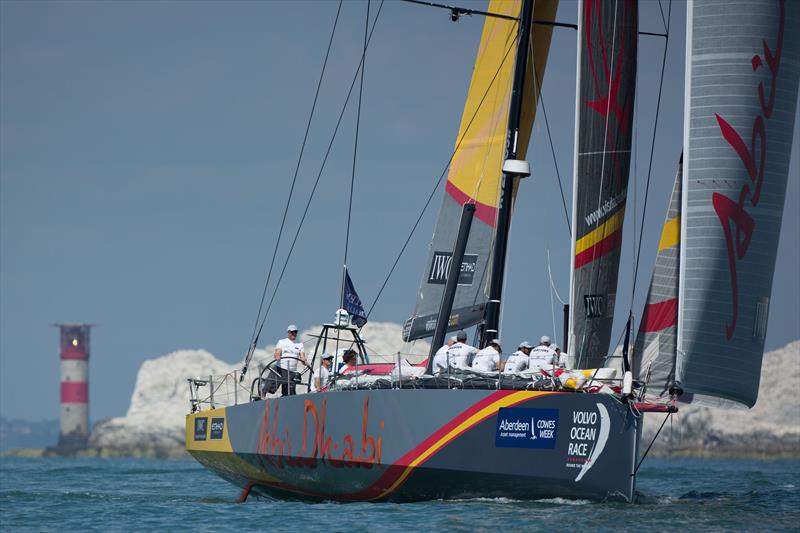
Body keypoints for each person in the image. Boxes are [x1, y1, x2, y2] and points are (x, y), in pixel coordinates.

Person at [274, 324, 307, 396]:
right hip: (281, 368)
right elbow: (277, 352)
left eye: (295, 332)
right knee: (270, 386)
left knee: (290, 392)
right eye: (292, 332)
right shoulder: (282, 342)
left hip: (292, 371)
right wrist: (277, 356)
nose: (294, 334)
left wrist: (304, 361)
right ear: (288, 332)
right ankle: (262, 395)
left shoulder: (300, 345)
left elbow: (302, 356)